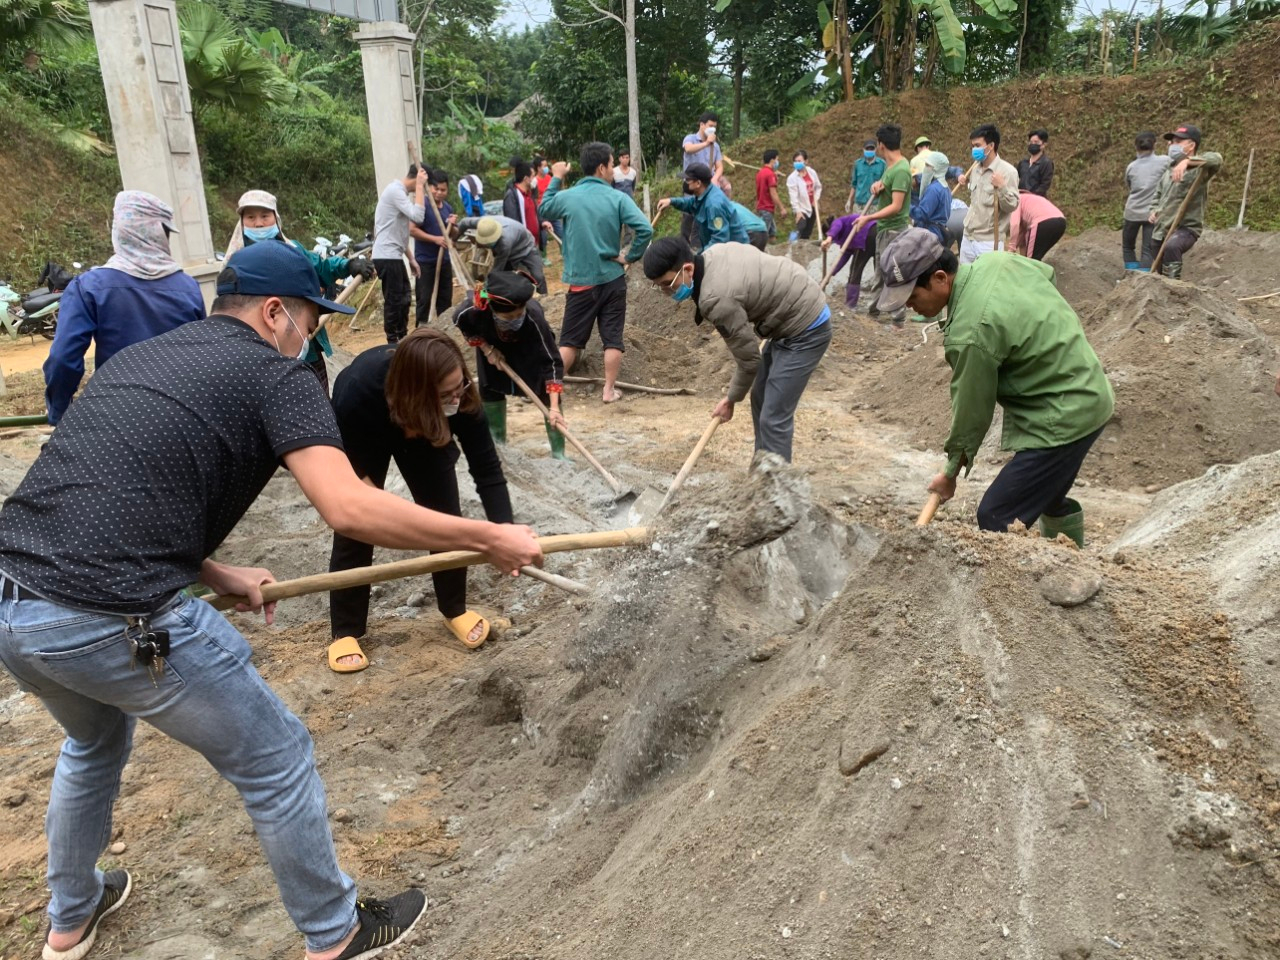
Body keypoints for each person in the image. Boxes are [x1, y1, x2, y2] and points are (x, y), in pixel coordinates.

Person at [0, 240, 541, 960]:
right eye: (312, 320)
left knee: (92, 742)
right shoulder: (277, 375)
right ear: (276, 311)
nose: (312, 335)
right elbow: (349, 507)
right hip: (121, 616)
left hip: (16, 605)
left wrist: (210, 568)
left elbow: (110, 488)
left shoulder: (138, 359)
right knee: (276, 754)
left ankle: (71, 916)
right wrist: (486, 538)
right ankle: (337, 931)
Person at [878, 228, 1113, 546]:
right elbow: (1046, 275)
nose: (909, 307)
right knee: (1045, 494)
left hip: (1064, 415)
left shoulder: (970, 331)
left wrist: (950, 474)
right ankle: (1069, 569)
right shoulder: (997, 262)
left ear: (939, 278)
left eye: (912, 297)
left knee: (996, 516)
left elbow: (972, 411)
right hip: (1091, 390)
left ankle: (1013, 596)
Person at [327, 328, 515, 671]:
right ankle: (346, 630)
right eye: (447, 393)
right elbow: (358, 502)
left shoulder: (459, 395)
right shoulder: (357, 393)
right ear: (419, 393)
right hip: (368, 422)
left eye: (460, 387)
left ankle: (454, 608)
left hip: (424, 425)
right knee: (358, 526)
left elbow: (487, 470)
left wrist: (507, 531)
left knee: (445, 513)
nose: (456, 398)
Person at [643, 236, 831, 464]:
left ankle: (775, 489)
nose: (666, 292)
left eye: (668, 284)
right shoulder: (712, 255)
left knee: (773, 417)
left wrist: (731, 399)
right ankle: (763, 469)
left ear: (688, 269)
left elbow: (750, 360)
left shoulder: (716, 299)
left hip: (805, 326)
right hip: (788, 313)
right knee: (760, 397)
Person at [44, 191, 204, 425]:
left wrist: (59, 412)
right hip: (179, 415)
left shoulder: (90, 286)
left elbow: (62, 359)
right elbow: (202, 358)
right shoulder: (188, 288)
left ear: (120, 232)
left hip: (117, 416)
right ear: (159, 235)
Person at [226, 189, 376, 392]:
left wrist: (348, 266)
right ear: (242, 222)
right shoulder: (236, 265)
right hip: (263, 357)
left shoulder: (293, 250)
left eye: (264, 216)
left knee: (319, 402)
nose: (259, 223)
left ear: (276, 219)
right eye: (251, 217)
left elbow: (320, 266)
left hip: (307, 350)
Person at [538, 142, 653, 404]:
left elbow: (544, 209)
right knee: (612, 339)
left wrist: (556, 178)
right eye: (612, 164)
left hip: (580, 283)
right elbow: (645, 230)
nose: (614, 170)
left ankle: (551, 388)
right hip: (613, 278)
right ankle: (608, 391)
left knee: (570, 341)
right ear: (601, 167)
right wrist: (629, 256)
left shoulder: (568, 197)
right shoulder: (618, 198)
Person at [454, 270, 567, 458]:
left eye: (519, 314)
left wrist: (554, 407)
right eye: (509, 318)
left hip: (528, 352)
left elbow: (552, 361)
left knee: (544, 392)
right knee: (490, 389)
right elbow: (461, 322)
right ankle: (498, 448)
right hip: (491, 346)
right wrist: (486, 349)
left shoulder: (534, 317)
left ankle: (559, 454)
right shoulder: (473, 310)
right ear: (492, 309)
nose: (515, 319)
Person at [847, 123, 912, 326]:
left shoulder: (901, 169)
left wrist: (868, 218)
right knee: (880, 272)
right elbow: (885, 186)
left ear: (881, 145)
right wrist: (878, 186)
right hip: (884, 229)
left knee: (891, 272)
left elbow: (896, 206)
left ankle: (897, 317)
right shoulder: (890, 167)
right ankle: (873, 311)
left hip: (893, 229)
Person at [1149, 123, 1223, 280]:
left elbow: (1217, 158)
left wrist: (1188, 161)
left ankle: (1174, 288)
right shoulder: (1168, 171)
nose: (1171, 145)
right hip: (1163, 227)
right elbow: (1158, 194)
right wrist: (1154, 209)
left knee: (1172, 247)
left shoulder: (1200, 169)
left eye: (1177, 141)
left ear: (1191, 145)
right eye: (1171, 141)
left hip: (1186, 228)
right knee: (1157, 258)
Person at [373, 164, 427, 344]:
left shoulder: (401, 195)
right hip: (386, 255)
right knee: (395, 299)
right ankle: (392, 340)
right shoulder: (395, 191)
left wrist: (411, 259)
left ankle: (402, 336)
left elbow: (401, 234)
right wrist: (419, 186)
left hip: (394, 255)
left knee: (404, 298)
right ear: (415, 177)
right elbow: (418, 217)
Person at [958, 123, 1020, 264]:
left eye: (978, 145)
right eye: (972, 146)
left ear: (991, 146)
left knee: (986, 283)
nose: (974, 150)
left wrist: (1002, 187)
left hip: (989, 242)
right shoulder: (975, 169)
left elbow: (1012, 206)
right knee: (965, 279)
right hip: (968, 236)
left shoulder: (1007, 172)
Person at [657, 163, 748, 250]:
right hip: (724, 250)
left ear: (698, 183)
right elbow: (691, 203)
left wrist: (702, 256)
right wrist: (671, 201)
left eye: (688, 180)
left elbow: (719, 239)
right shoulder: (706, 193)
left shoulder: (714, 205)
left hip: (734, 252)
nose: (685, 183)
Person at [409, 167, 456, 326]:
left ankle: (444, 331)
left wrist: (453, 226)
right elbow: (412, 230)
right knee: (425, 300)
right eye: (436, 188)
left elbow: (453, 235)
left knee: (445, 300)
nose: (439, 192)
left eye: (443, 189)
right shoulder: (423, 205)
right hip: (425, 262)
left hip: (444, 261)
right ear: (430, 187)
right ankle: (421, 332)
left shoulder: (448, 208)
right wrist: (435, 239)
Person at [454, 215, 547, 294]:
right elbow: (463, 223)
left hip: (527, 247)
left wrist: (484, 291)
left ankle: (544, 297)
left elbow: (496, 270)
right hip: (507, 245)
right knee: (504, 279)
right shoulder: (484, 224)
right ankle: (502, 297)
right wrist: (453, 239)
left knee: (537, 276)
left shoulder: (505, 243)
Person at [1122, 131, 1171, 270]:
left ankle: (1131, 275)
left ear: (1135, 147)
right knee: (1147, 249)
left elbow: (1130, 185)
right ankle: (1144, 278)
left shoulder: (1131, 167)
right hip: (1152, 212)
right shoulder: (1165, 161)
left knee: (1128, 246)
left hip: (1132, 211)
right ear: (1154, 145)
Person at [681, 113, 724, 242]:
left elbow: (719, 166)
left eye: (715, 127)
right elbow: (688, 149)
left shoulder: (715, 146)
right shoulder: (691, 138)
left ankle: (701, 246)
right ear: (702, 125)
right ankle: (684, 246)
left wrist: (715, 178)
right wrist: (706, 143)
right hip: (692, 187)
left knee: (703, 219)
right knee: (689, 217)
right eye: (710, 126)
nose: (713, 129)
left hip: (706, 188)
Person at [820, 213, 876, 310]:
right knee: (879, 271)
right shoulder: (846, 236)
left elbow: (836, 226)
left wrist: (829, 237)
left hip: (866, 235)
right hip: (877, 231)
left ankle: (850, 305)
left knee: (855, 271)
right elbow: (844, 256)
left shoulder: (839, 222)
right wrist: (831, 273)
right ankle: (882, 305)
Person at [1007, 190, 1067, 261]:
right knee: (1036, 257)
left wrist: (1011, 248)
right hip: (1061, 223)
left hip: (1042, 222)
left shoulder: (1016, 201)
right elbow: (1023, 240)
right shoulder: (1031, 200)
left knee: (1031, 261)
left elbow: (1015, 224)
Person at [909, 151, 952, 244]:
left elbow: (922, 214)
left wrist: (906, 206)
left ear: (936, 169)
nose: (925, 168)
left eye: (928, 166)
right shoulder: (945, 187)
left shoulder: (934, 189)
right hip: (939, 233)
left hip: (930, 234)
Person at [502, 158, 546, 245]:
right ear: (526, 178)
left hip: (534, 243)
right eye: (533, 176)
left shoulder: (529, 193)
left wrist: (542, 222)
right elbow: (513, 223)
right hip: (523, 246)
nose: (535, 179)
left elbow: (534, 213)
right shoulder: (512, 196)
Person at [786, 151, 822, 241]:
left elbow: (818, 187)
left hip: (812, 205)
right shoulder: (792, 178)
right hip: (801, 207)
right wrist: (798, 211)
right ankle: (791, 243)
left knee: (807, 231)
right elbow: (793, 197)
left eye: (799, 161)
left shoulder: (811, 172)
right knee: (801, 227)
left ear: (806, 161)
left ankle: (804, 249)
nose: (797, 163)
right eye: (795, 161)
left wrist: (816, 199)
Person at [754, 150, 788, 239]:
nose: (777, 162)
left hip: (761, 207)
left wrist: (775, 176)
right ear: (772, 160)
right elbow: (773, 193)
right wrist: (782, 208)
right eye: (777, 159)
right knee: (762, 236)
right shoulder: (770, 174)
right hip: (767, 208)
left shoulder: (760, 172)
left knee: (772, 234)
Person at [847, 139, 885, 213]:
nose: (869, 151)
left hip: (875, 204)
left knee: (873, 224)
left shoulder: (882, 164)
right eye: (867, 149)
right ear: (863, 149)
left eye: (872, 149)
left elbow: (885, 183)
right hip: (859, 204)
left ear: (876, 149)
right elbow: (854, 184)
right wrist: (849, 200)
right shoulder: (858, 164)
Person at [1016, 129, 1054, 197]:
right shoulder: (1023, 163)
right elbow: (1016, 178)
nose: (1033, 144)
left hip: (1036, 201)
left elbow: (1044, 185)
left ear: (1043, 145)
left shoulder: (1046, 163)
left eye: (1036, 142)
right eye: (1031, 142)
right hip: (1021, 199)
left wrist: (1032, 196)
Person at [944, 166, 968, 250]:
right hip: (964, 215)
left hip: (950, 216)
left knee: (943, 249)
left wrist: (959, 175)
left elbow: (955, 170)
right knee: (963, 247)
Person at [909, 135, 933, 202]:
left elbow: (912, 181)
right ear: (928, 146)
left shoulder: (914, 160)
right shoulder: (937, 156)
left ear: (918, 148)